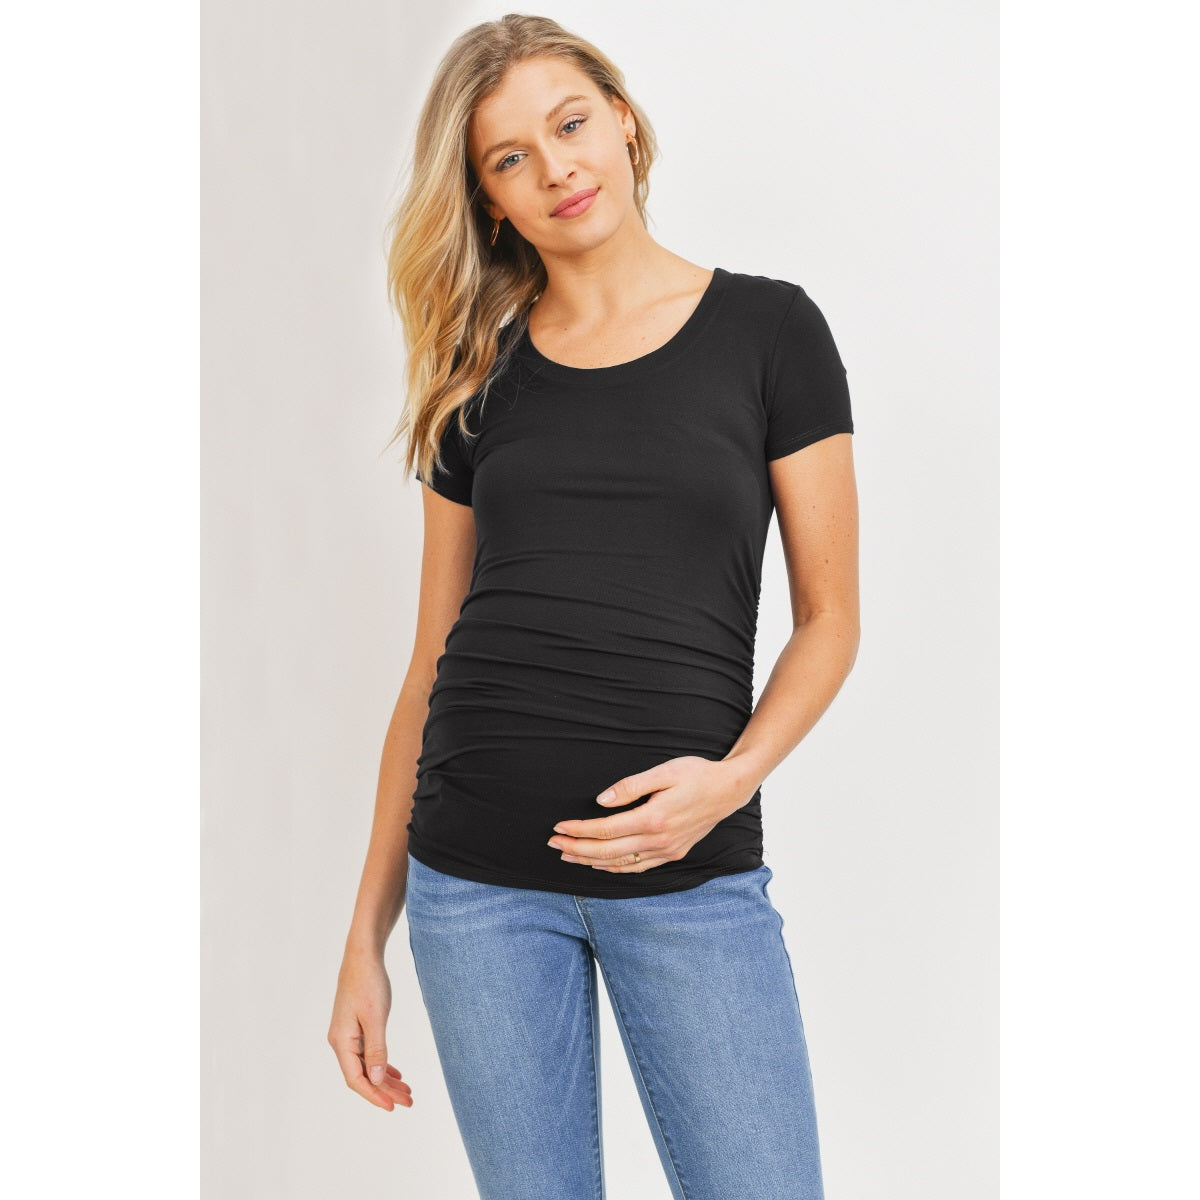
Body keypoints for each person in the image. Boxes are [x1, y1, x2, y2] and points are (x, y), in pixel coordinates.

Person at [328, 14, 860, 1200]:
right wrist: (367, 937)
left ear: (621, 119)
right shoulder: (476, 375)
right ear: (489, 199)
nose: (557, 168)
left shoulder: (772, 332)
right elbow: (429, 662)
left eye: (570, 125)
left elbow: (831, 619)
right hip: (475, 889)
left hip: (691, 879)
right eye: (511, 157)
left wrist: (729, 783)